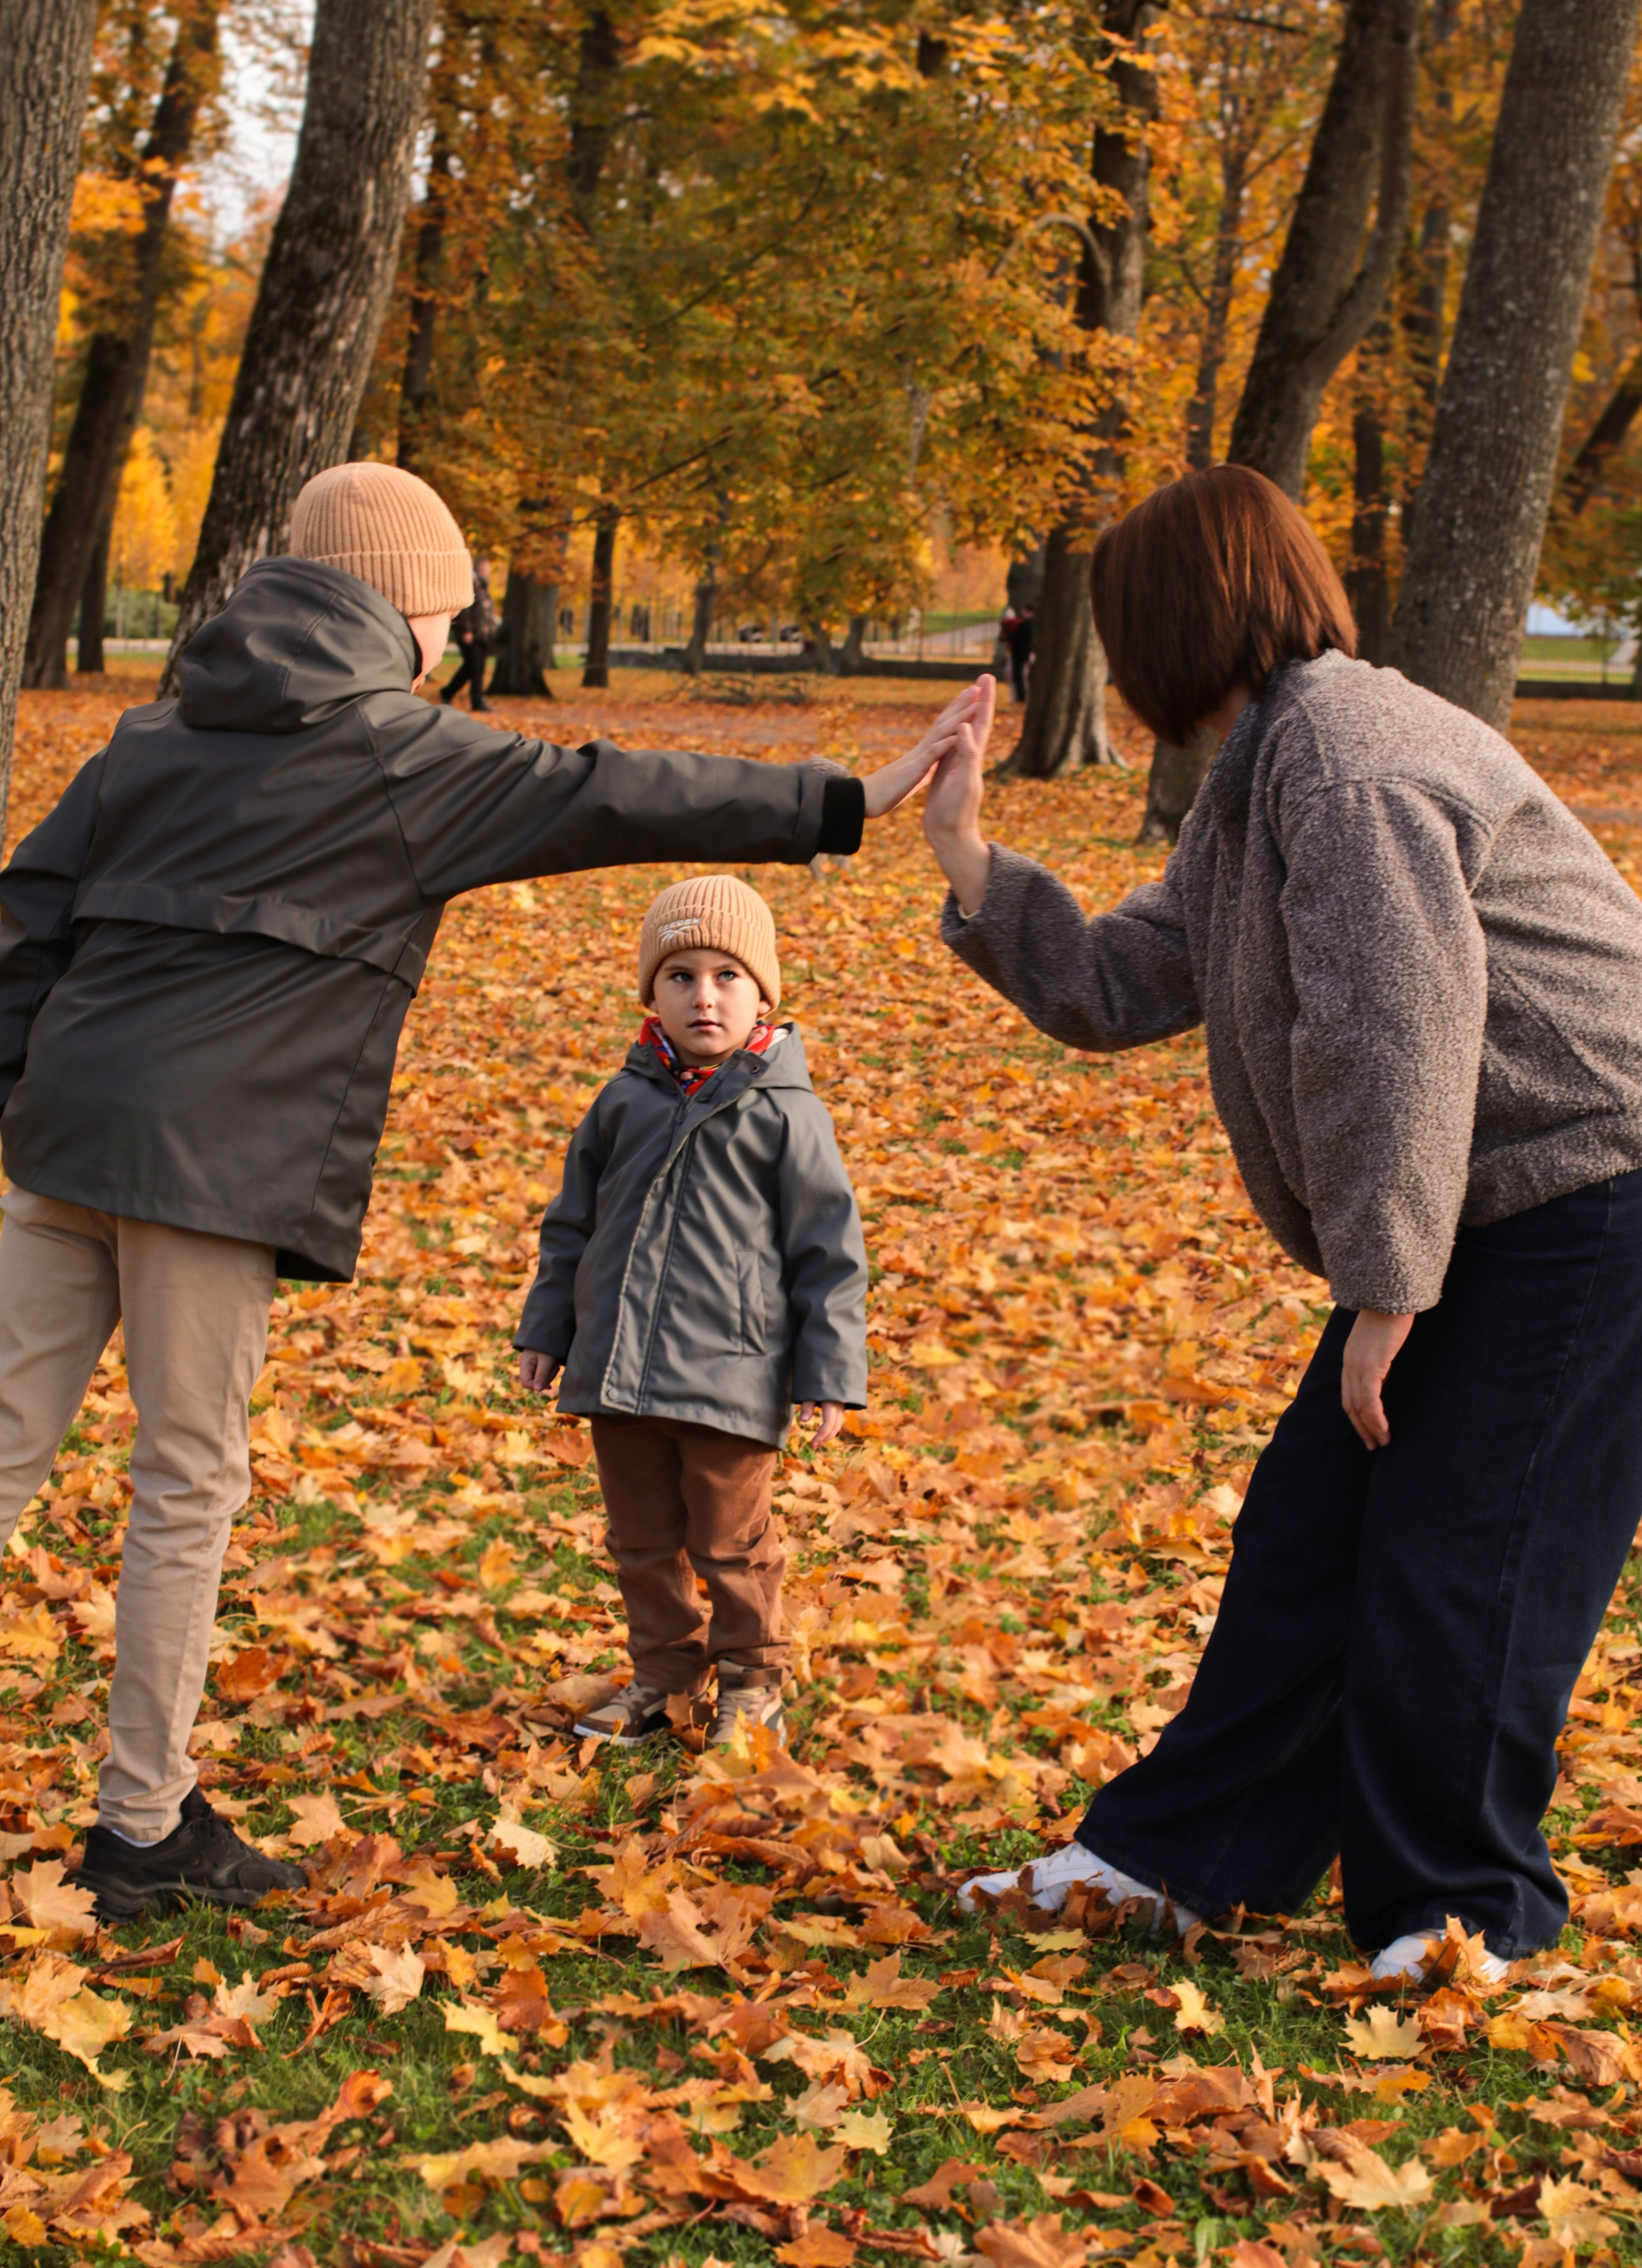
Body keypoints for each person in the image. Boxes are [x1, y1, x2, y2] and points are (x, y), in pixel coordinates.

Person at [0, 460, 972, 1920]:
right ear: (403, 607)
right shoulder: (402, 754)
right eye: (448, 618)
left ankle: (149, 1815)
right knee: (182, 1485)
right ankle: (142, 1826)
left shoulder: (155, 731)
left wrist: (26, 1087)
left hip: (65, 1137)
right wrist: (849, 798)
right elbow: (610, 794)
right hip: (203, 1172)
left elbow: (25, 916)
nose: (454, 644)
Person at [921, 463, 1642, 1984]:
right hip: (1475, 1197)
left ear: (1175, 619)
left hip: (1588, 1195)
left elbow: (1392, 1040)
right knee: (1308, 1532)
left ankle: (1458, 1919)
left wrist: (1385, 1292)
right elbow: (1126, 976)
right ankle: (1170, 1859)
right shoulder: (1273, 766)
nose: (1109, 667)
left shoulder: (1346, 767)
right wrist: (972, 862)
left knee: (1465, 1552)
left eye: (1116, 628)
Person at [514, 875, 866, 1749]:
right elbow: (572, 1228)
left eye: (725, 976)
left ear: (761, 996)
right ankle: (663, 1674)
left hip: (730, 1374)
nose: (703, 995)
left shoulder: (787, 1113)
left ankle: (753, 1678)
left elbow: (829, 1252)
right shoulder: (623, 1101)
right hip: (616, 1368)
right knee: (641, 1540)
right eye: (680, 976)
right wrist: (547, 1330)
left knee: (732, 1543)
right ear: (651, 995)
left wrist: (829, 1373)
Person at [442, 554, 498, 711]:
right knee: (474, 668)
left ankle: (468, 697)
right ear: (480, 568)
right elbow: (464, 608)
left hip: (482, 634)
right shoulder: (471, 584)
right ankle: (471, 699)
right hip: (472, 634)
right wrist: (465, 630)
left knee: (476, 669)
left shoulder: (482, 586)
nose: (488, 571)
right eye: (486, 567)